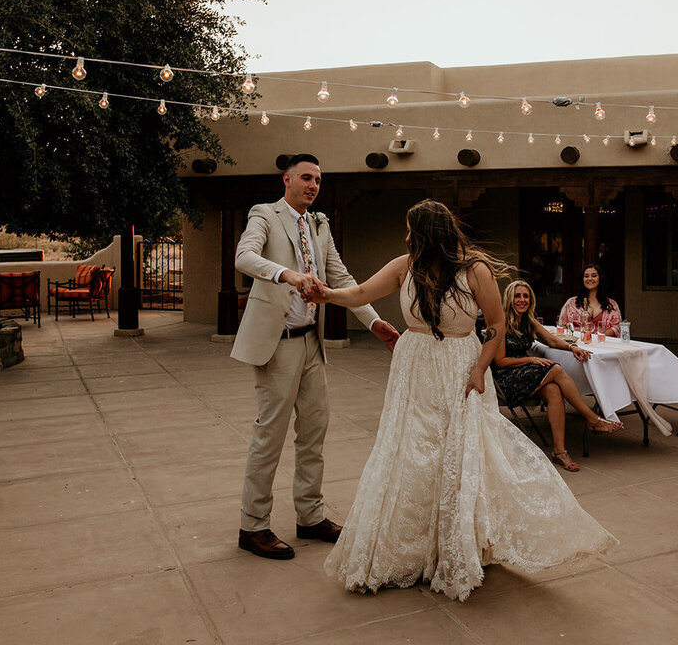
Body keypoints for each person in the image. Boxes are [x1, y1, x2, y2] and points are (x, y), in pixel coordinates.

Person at [316, 200, 616, 601]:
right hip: (415, 367)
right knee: (414, 452)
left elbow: (494, 325)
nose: (406, 237)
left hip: (461, 365)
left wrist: (478, 370)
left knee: (460, 453)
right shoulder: (405, 266)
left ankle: (457, 545)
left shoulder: (474, 270)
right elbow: (359, 293)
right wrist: (325, 293)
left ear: (428, 233)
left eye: (411, 230)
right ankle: (411, 546)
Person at [230, 154, 400, 561]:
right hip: (277, 343)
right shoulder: (264, 215)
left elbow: (341, 279)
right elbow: (244, 257)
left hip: (311, 343)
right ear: (287, 179)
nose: (313, 185)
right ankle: (253, 526)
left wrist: (374, 322)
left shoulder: (320, 225)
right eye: (306, 178)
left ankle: (311, 516)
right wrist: (287, 274)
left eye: (319, 180)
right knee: (269, 436)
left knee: (314, 433)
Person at [495, 280, 622, 472]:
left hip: (523, 374)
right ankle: (592, 419)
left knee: (554, 390)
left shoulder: (528, 321)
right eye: (517, 296)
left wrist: (572, 347)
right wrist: (531, 361)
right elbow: (500, 362)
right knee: (555, 369)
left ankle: (560, 452)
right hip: (506, 379)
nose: (522, 300)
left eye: (526, 296)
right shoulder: (501, 322)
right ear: (509, 299)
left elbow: (552, 341)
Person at [557, 264, 623, 336]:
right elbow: (562, 325)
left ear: (600, 278)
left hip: (602, 344)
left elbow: (617, 327)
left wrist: (596, 337)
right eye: (586, 276)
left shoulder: (611, 304)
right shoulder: (571, 303)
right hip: (577, 344)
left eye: (594, 276)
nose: (590, 279)